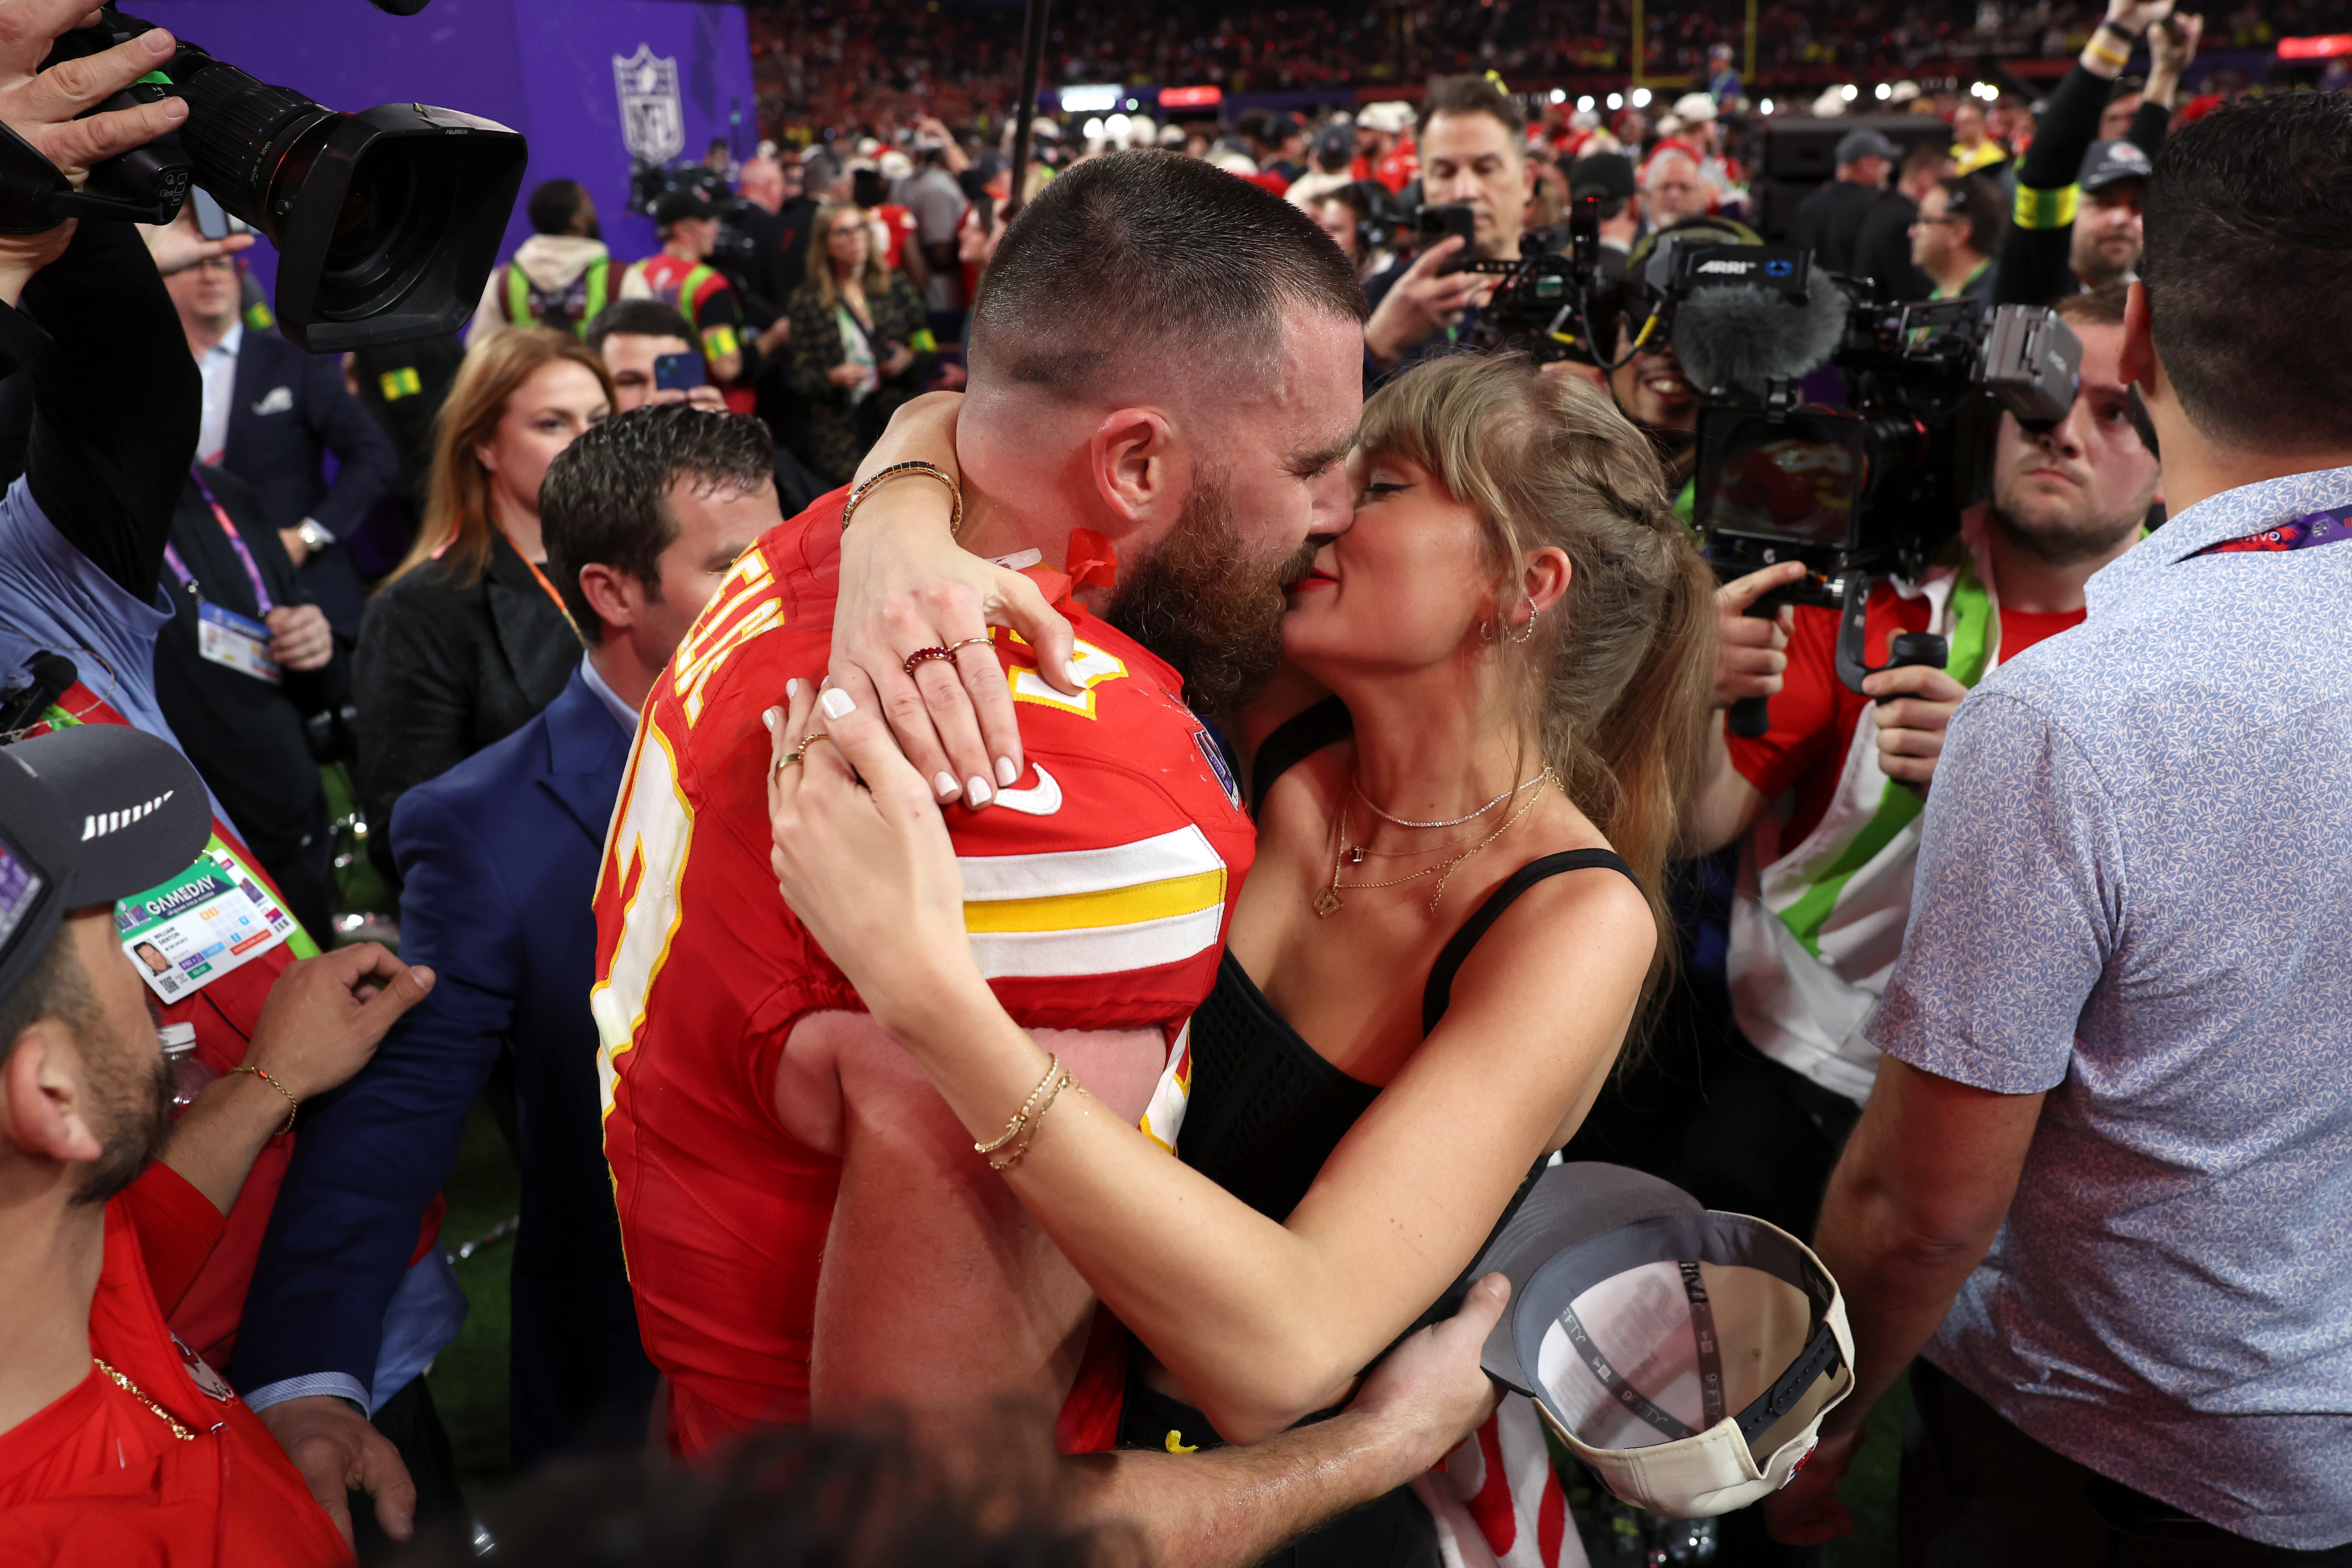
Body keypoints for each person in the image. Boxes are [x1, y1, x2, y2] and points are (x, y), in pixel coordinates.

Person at [593, 149, 1517, 1561]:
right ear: (1136, 458)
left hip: (711, 1408)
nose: (1333, 511)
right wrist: (1368, 1447)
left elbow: (944, 421)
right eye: (1309, 463)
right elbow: (923, 1525)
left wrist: (902, 481)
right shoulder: (1055, 807)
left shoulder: (836, 545)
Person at [769, 347, 1714, 1565]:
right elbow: (987, 414)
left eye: (1379, 488)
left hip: (1279, 1501)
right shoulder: (1276, 703)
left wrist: (929, 1000)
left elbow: (1278, 1356)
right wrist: (893, 524)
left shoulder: (1570, 920)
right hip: (1063, 1416)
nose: (1322, 507)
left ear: (1522, 584)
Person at [1767, 90, 2352, 1564]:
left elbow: (1916, 1205)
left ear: (2140, 344)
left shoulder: (2073, 713)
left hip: (2105, 1443)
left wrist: (1805, 1426)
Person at [238, 405, 766, 1545]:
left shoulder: (867, 721)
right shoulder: (481, 825)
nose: (776, 592)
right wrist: (308, 1376)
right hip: (642, 1395)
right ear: (614, 592)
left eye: (782, 552)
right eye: (734, 565)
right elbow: (397, 1115)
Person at [1680, 284, 2159, 1238]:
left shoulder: (2193, 643)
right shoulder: (1869, 587)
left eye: (2115, 411)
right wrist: (1693, 687)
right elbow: (1697, 823)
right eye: (2041, 394)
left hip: (2045, 1107)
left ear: (2173, 447)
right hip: (1789, 1045)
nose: (2060, 432)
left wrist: (2005, 777)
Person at [0, 720, 432, 1568]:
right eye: (117, 946)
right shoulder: (140, 1536)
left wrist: (269, 1075)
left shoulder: (59, 1275)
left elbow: (137, 1249)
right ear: (53, 1096)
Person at [351, 329, 613, 884]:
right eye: (553, 423)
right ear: (484, 443)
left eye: (600, 419)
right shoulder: (417, 610)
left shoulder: (639, 568)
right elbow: (407, 834)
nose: (586, 442)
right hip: (544, 922)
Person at [157, 203, 401, 643]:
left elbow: (376, 456)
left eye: (220, 263)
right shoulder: (148, 378)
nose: (210, 276)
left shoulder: (293, 363)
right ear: (166, 273)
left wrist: (309, 536)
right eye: (195, 264)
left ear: (240, 271)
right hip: (202, 609)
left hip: (313, 596)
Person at [150, 457, 344, 947]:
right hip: (183, 839)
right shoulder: (70, 510)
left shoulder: (228, 493)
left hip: (288, 815)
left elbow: (318, 678)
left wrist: (315, 644)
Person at [1996, 0, 2199, 308]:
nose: (2121, 218)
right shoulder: (2039, 280)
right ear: (2068, 210)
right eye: (2102, 203)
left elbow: (2141, 148)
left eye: (2134, 207)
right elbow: (2046, 172)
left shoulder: (2146, 292)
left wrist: (2166, 72)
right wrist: (2119, 30)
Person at [1361, 75, 1537, 382]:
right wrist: (1376, 349)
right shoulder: (1371, 303)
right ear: (1423, 183)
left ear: (1527, 181)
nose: (1464, 191)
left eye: (1485, 169)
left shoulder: (1575, 300)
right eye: (1444, 172)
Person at [783, 200, 933, 485]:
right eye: (843, 232)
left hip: (896, 420)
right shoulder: (807, 301)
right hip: (840, 433)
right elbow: (798, 377)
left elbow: (926, 341)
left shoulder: (895, 285)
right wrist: (832, 377)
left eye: (860, 229)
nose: (855, 238)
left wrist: (911, 356)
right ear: (825, 245)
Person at [618, 189, 752, 410]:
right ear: (684, 228)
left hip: (651, 403)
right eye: (708, 221)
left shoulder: (636, 274)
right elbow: (726, 365)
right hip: (707, 407)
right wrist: (771, 341)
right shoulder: (708, 283)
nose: (716, 228)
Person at [467, 178, 612, 344]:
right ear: (577, 221)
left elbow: (481, 349)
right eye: (588, 202)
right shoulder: (622, 278)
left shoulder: (499, 283)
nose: (595, 211)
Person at [1789, 128, 1897, 275]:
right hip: (1858, 296)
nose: (1889, 168)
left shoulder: (1808, 206)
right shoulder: (1875, 208)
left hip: (1814, 295)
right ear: (1864, 163)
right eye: (1883, 160)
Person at [1853, 141, 1952, 301]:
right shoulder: (1905, 221)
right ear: (1927, 178)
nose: (1951, 194)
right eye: (1948, 183)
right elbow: (1914, 291)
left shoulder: (1883, 209)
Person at [1911, 173, 2006, 301]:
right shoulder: (1938, 300)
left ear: (1959, 233)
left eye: (1926, 221)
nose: (1913, 232)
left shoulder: (1992, 304)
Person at [1307, 182, 1392, 281]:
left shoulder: (1394, 282)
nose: (1322, 237)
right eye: (1322, 227)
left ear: (1365, 233)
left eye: (1336, 229)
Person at [1640, 146, 1714, 228]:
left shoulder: (1716, 238)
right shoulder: (1630, 239)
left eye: (1685, 188)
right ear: (1650, 195)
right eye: (1665, 187)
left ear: (1701, 197)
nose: (1674, 195)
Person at [1947, 98, 2006, 178]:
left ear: (1979, 124)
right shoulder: (1953, 152)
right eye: (1956, 122)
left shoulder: (1995, 156)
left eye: (1963, 122)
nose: (1957, 127)